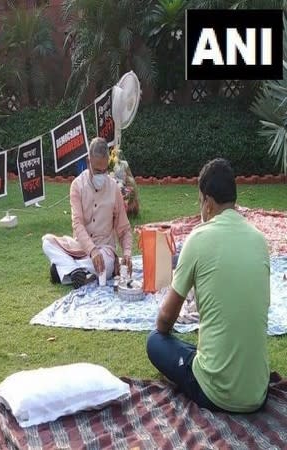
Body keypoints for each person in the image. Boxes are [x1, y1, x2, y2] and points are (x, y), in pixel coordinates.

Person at [147, 158, 270, 413]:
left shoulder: (199, 239)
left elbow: (164, 321)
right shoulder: (260, 241)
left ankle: (209, 372)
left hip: (216, 392)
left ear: (208, 202)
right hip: (259, 391)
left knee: (155, 341)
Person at [42, 137, 133, 289]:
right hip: (80, 247)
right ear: (88, 160)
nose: (101, 175)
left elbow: (124, 228)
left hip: (104, 250)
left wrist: (128, 253)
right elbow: (77, 224)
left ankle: (66, 270)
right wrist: (91, 250)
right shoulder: (77, 186)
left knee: (108, 263)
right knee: (47, 242)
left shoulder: (114, 188)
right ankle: (78, 272)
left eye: (105, 170)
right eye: (98, 171)